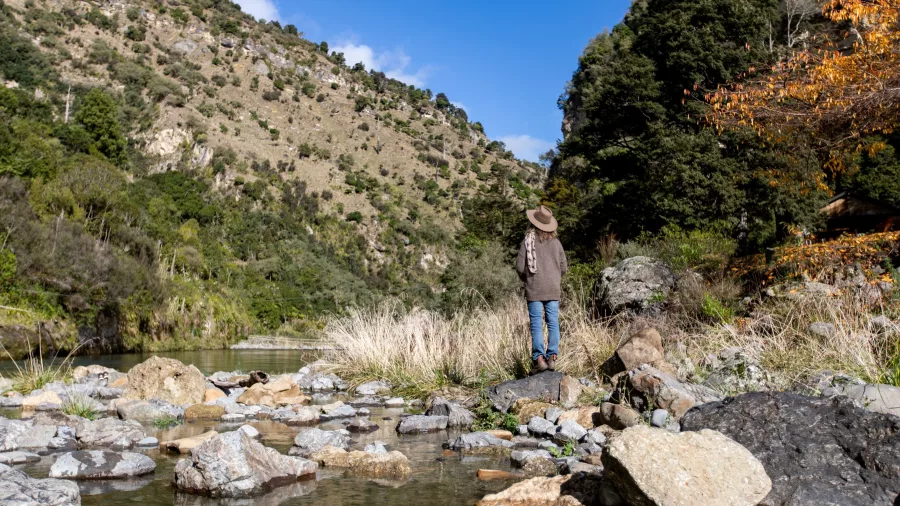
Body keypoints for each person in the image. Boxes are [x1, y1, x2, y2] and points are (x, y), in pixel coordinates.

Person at [515, 205, 567, 374]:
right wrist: (555, 278)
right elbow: (564, 267)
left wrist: (527, 279)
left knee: (536, 325)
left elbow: (519, 267)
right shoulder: (556, 243)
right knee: (553, 323)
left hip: (534, 289)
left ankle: (539, 359)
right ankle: (552, 357)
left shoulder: (528, 241)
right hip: (553, 288)